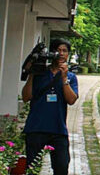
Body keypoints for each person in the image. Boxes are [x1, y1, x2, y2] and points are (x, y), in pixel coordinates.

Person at [22, 38, 78, 175]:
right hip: (36, 128)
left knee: (61, 167)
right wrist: (32, 74)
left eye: (65, 51)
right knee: (32, 169)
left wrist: (64, 79)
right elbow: (26, 97)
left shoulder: (71, 77)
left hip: (58, 130)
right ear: (51, 53)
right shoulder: (40, 73)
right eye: (58, 50)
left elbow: (71, 100)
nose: (61, 54)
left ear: (68, 54)